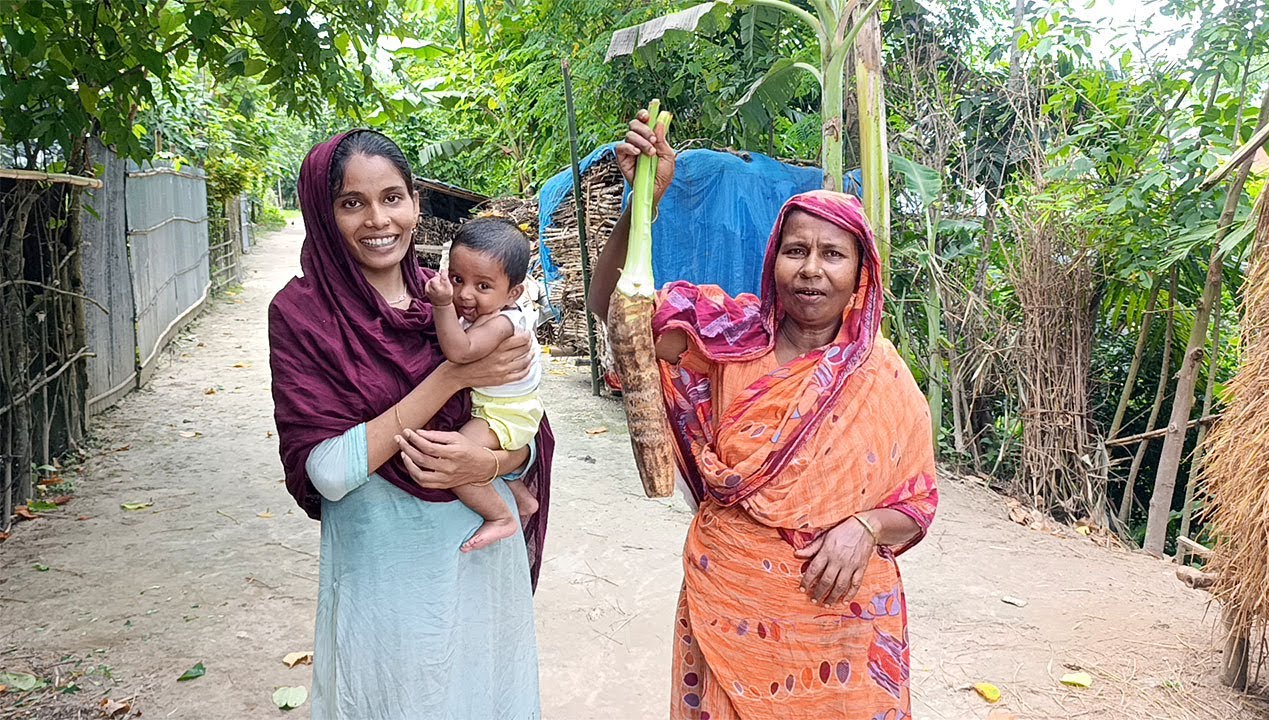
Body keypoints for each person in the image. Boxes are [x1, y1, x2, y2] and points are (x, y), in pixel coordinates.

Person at [589, 111, 938, 719]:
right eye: (796, 250)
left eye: (833, 254)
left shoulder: (881, 376)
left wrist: (866, 527)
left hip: (838, 625)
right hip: (727, 599)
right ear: (773, 260)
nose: (811, 268)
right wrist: (642, 206)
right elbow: (615, 311)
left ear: (860, 276)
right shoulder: (730, 337)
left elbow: (916, 504)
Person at [268, 129, 553, 719]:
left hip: (480, 562)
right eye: (352, 203)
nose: (379, 219)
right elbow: (325, 471)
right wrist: (448, 378)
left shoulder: (456, 301)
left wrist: (494, 464)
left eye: (392, 197)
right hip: (386, 579)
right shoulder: (303, 317)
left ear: (416, 204)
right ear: (323, 215)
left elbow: (525, 424)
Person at [425, 217, 544, 552]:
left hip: (505, 415)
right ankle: (521, 497)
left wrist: (441, 305)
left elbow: (459, 352)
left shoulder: (503, 322)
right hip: (501, 408)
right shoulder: (487, 313)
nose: (464, 294)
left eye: (482, 286)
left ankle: (500, 516)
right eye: (457, 279)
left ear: (513, 293)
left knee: (452, 461)